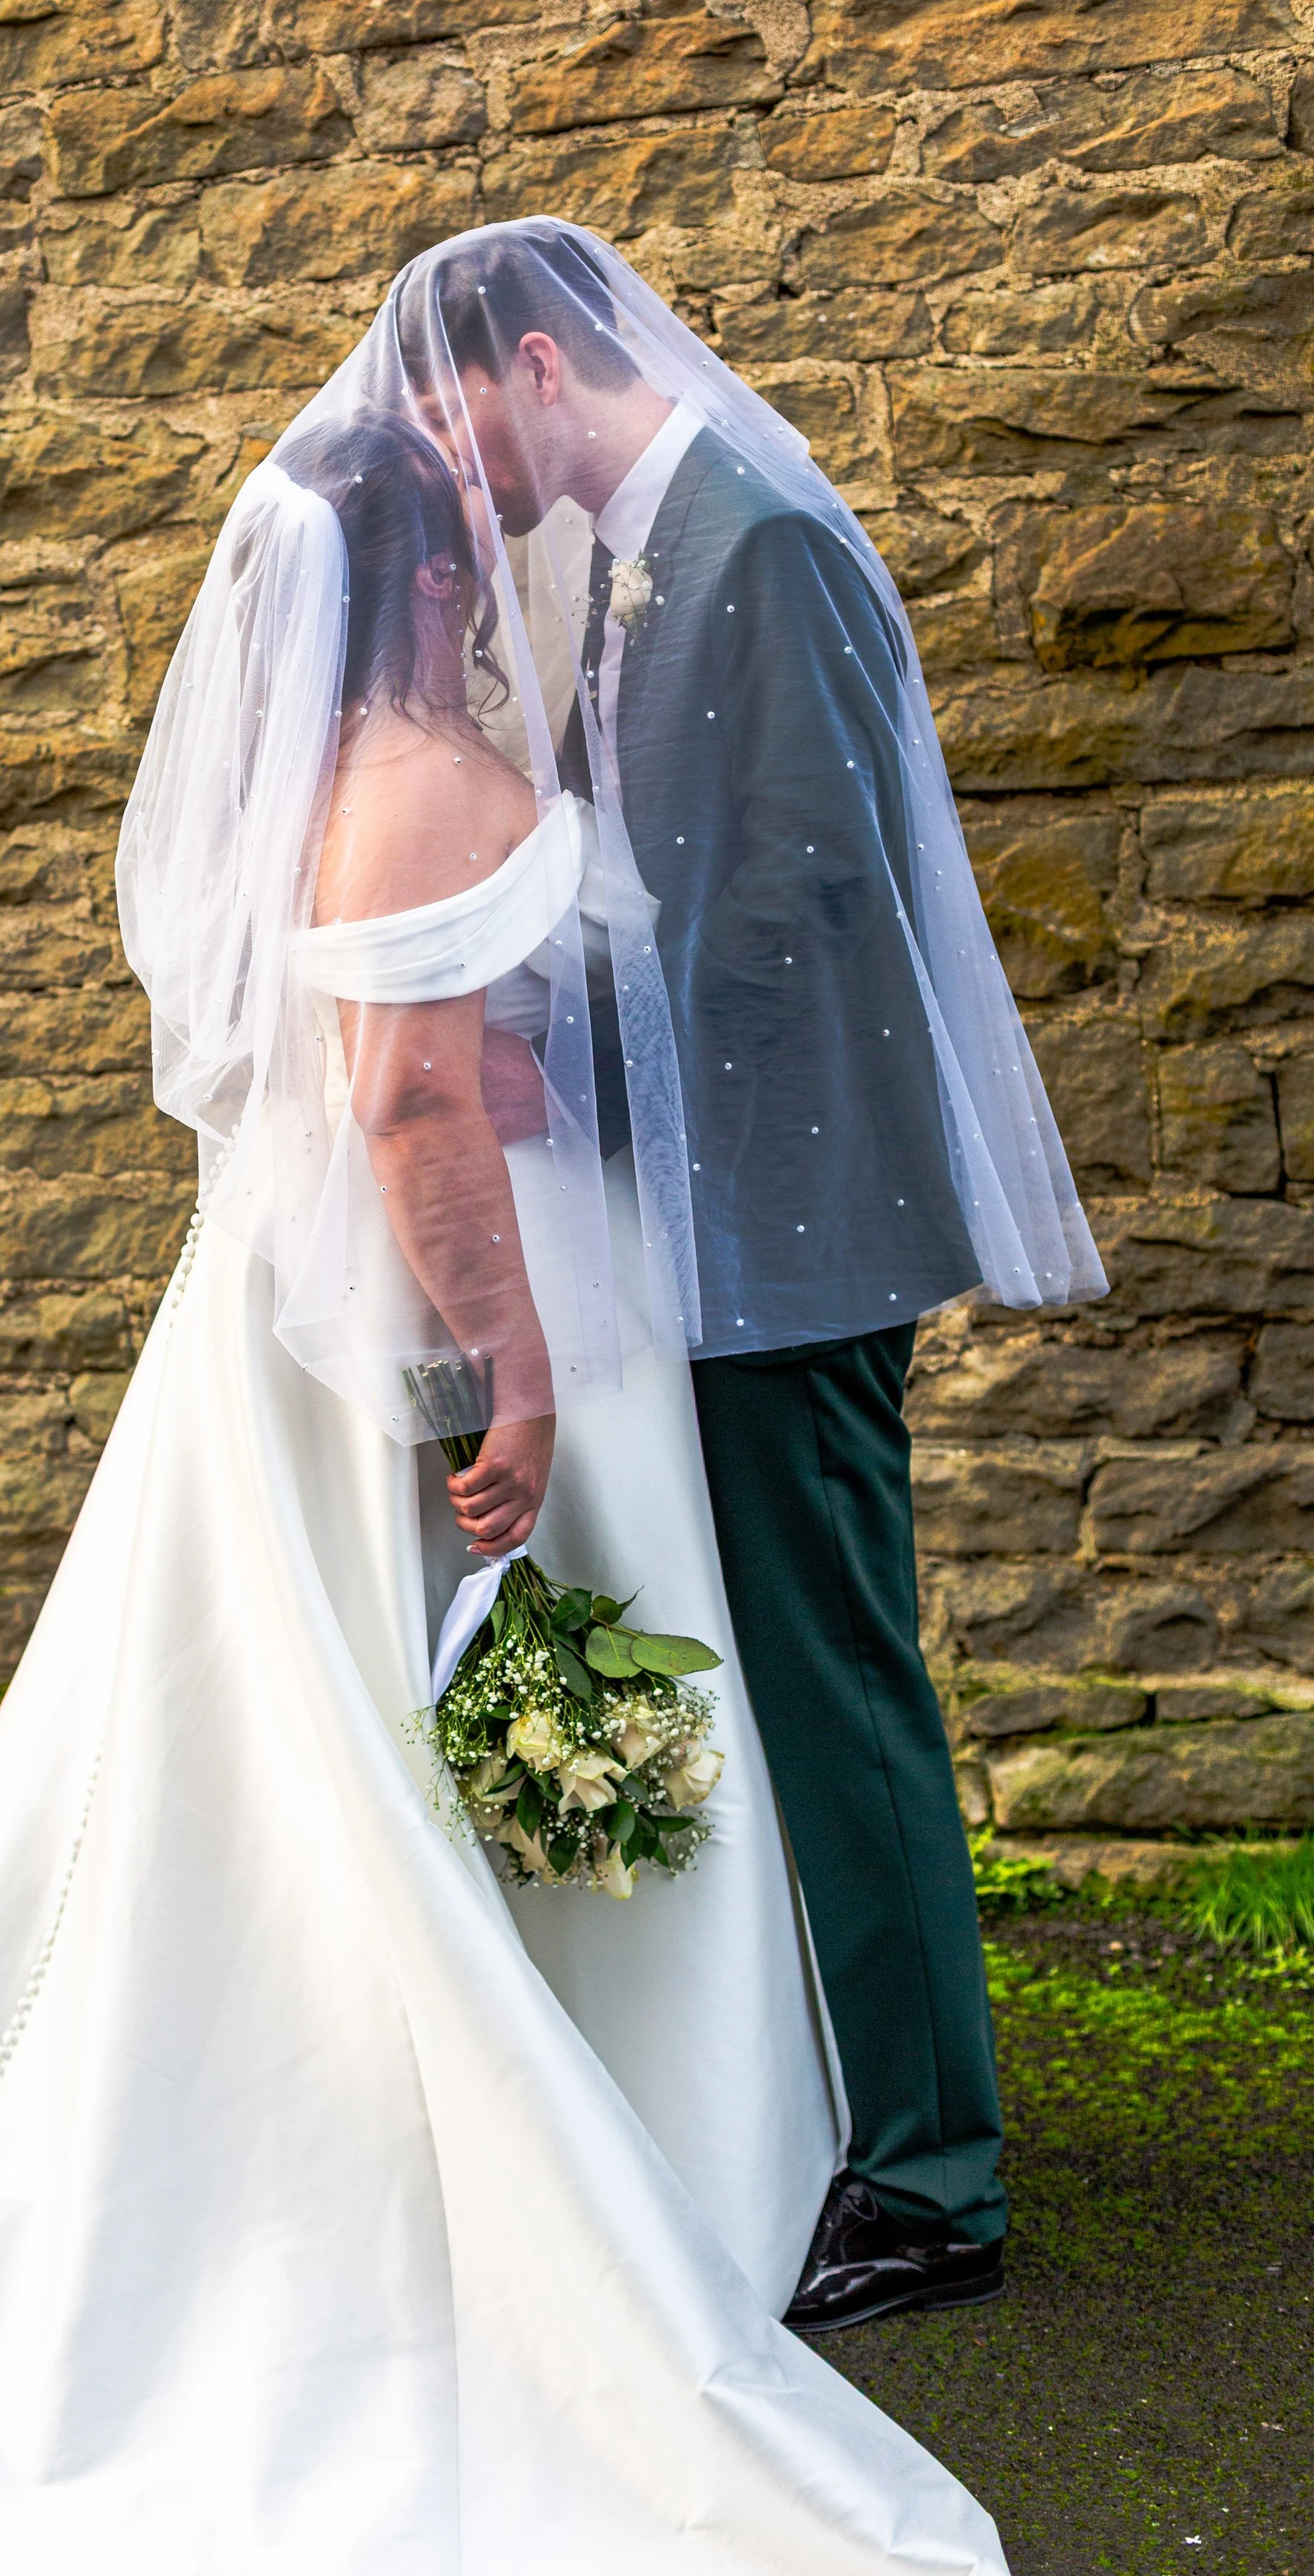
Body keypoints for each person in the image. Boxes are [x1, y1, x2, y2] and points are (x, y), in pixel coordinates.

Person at [0, 298, 1013, 2575]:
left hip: (600, 1277)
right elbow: (408, 1087)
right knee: (403, 1708)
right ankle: (529, 2111)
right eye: (466, 525)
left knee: (413, 1706)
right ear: (436, 569)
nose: (498, 525)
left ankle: (746, 2120)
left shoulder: (630, 616)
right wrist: (527, 1350)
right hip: (482, 1313)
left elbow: (746, 911)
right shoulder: (431, 783)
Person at [393, 221, 1105, 2334]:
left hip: (793, 1218)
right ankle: (828, 2094)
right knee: (779, 1652)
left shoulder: (756, 537)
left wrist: (556, 1070)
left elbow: (788, 910)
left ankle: (929, 2176)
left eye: (451, 410)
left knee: (830, 1667)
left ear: (535, 361)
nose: (448, 459)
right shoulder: (643, 538)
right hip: (720, 1208)